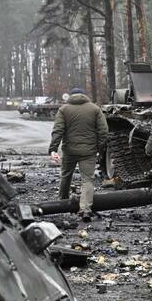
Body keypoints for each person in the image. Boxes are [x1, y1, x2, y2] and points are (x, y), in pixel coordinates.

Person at [48, 88, 108, 222]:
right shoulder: (95, 109)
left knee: (66, 175)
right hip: (89, 152)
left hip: (69, 151)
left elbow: (58, 130)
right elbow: (103, 131)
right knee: (87, 179)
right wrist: (100, 148)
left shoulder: (64, 109)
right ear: (84, 95)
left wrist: (53, 149)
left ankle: (62, 202)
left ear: (70, 95)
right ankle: (85, 209)